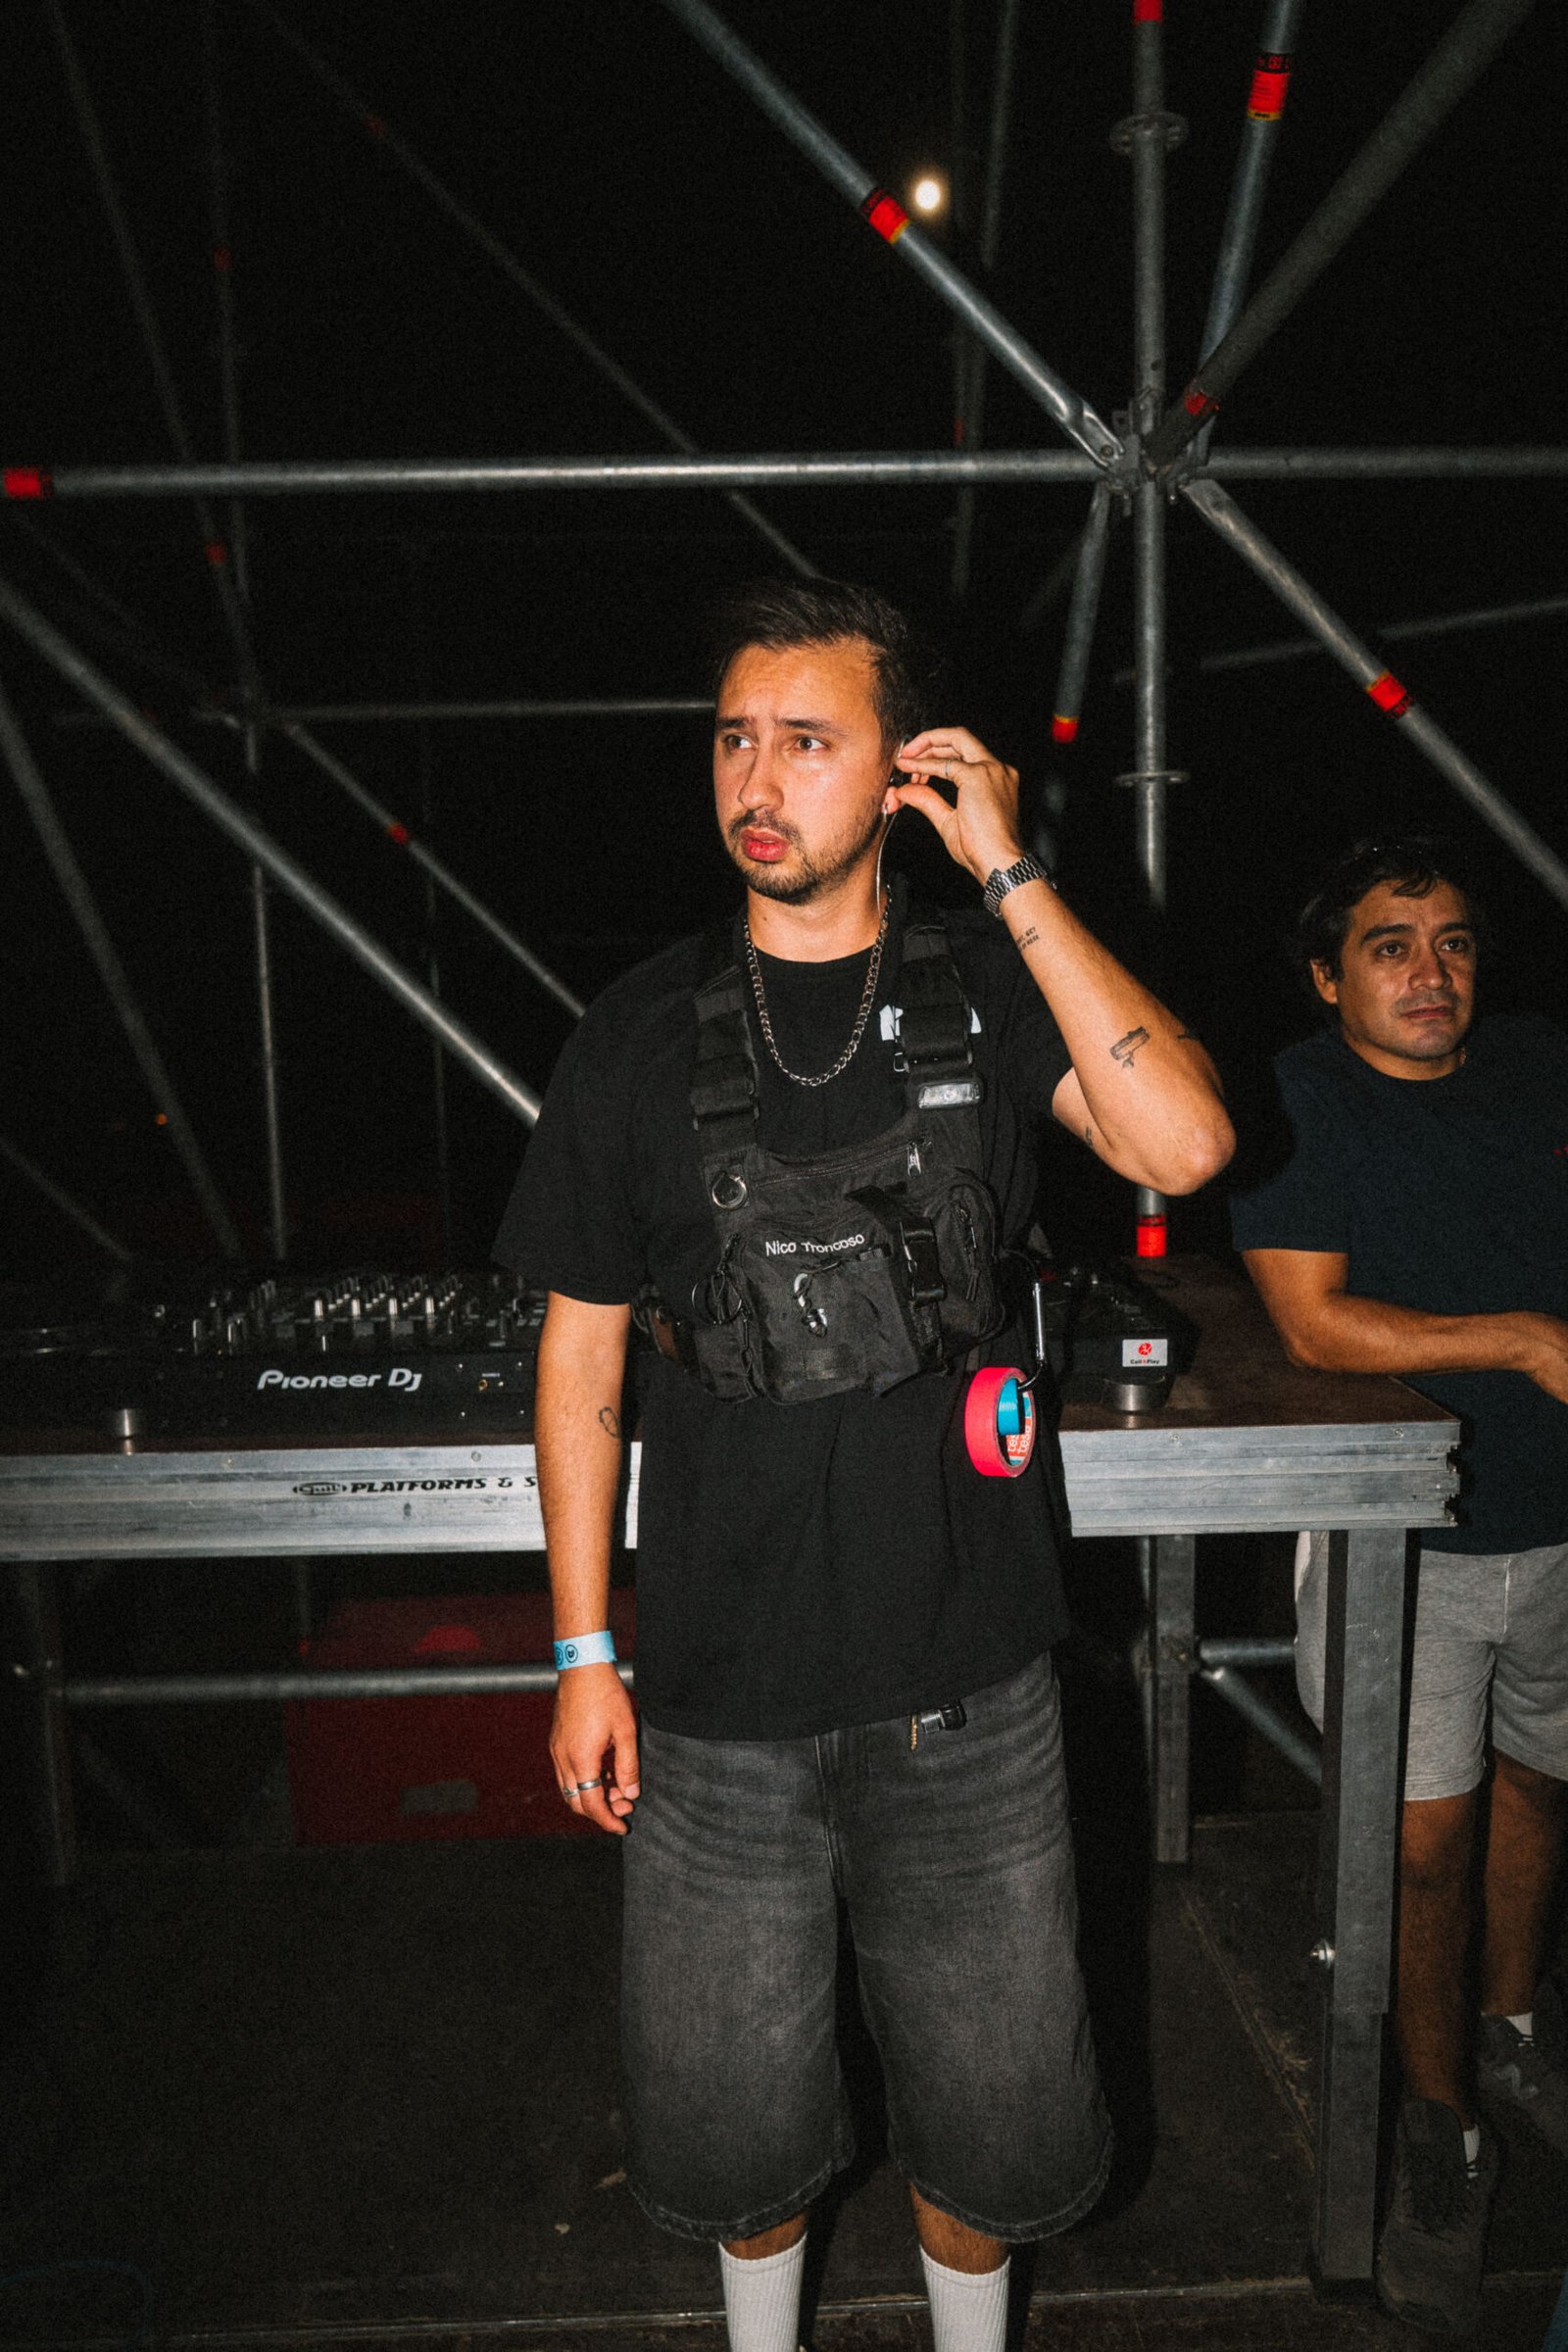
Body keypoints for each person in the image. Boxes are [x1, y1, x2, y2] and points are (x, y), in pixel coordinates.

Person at [495, 576, 1234, 2352]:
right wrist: (584, 1651)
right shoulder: (637, 1032)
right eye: (735, 739)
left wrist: (1012, 869)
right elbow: (580, 1356)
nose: (758, 780)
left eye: (809, 742)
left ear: (905, 768)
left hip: (968, 1688)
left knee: (992, 2128)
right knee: (733, 2139)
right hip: (717, 1702)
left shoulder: (991, 985)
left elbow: (1187, 1142)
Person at [1229, 835, 1568, 2336]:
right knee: (1426, 1847)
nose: (1432, 973)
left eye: (1454, 942)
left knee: (1544, 1785)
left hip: (1562, 1524)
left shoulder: (1540, 1065)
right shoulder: (1297, 1098)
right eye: (1389, 945)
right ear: (1327, 976)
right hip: (1411, 1534)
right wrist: (1529, 1341)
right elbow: (1312, 1321)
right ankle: (1441, 2123)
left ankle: (1511, 2025)